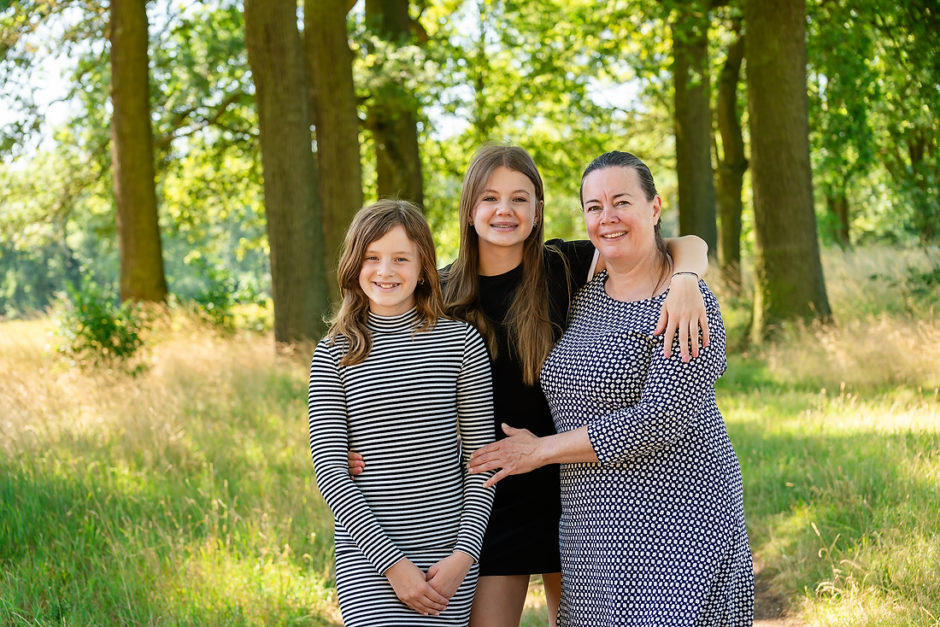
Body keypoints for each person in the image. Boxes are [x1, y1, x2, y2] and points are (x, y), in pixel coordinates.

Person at [350, 145, 710, 627]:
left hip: (577, 485)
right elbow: (388, 362)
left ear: (538, 210)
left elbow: (680, 242)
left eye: (520, 199)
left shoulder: (566, 266)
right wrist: (362, 442)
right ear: (469, 209)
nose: (504, 211)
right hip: (489, 493)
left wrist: (686, 278)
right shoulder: (440, 291)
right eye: (490, 198)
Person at [468, 151, 754, 626]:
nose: (608, 218)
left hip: (678, 518)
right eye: (594, 207)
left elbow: (662, 418)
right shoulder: (586, 292)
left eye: (622, 202)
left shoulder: (684, 302)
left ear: (655, 208)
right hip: (591, 525)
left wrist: (538, 451)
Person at [307, 199, 496, 626]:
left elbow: (482, 460)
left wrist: (464, 556)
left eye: (400, 258)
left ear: (424, 266)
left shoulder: (460, 344)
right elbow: (331, 473)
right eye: (372, 257)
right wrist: (393, 565)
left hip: (448, 560)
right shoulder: (334, 353)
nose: (385, 271)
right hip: (371, 563)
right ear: (355, 264)